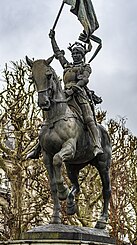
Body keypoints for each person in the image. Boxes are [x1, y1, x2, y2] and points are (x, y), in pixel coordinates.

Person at [27, 30, 103, 159]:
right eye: (73, 53)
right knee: (49, 115)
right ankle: (39, 147)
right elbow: (58, 54)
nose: (74, 55)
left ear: (82, 54)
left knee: (88, 118)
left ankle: (97, 144)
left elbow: (84, 80)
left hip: (79, 94)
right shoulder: (67, 66)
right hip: (64, 95)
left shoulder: (86, 67)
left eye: (77, 53)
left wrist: (73, 89)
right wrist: (52, 39)